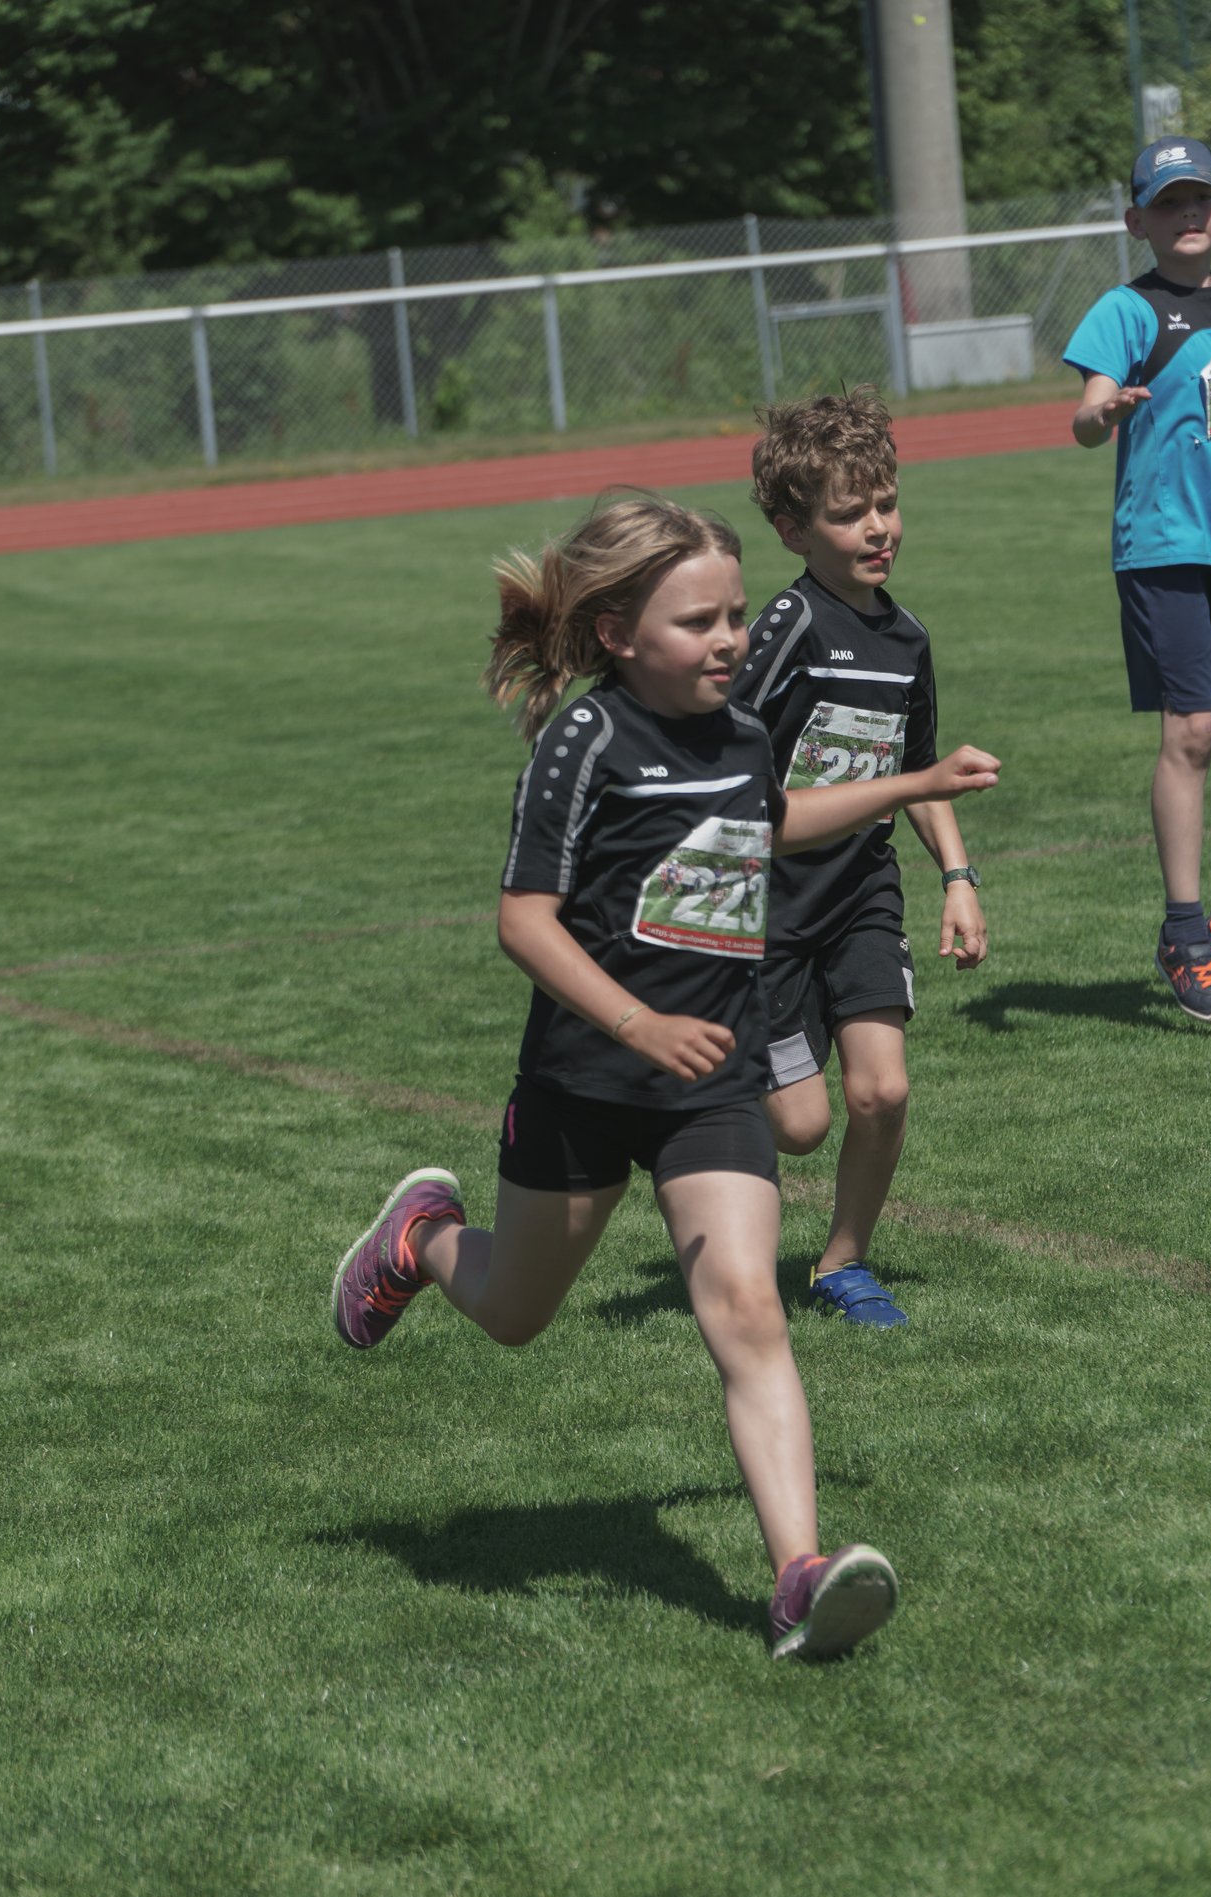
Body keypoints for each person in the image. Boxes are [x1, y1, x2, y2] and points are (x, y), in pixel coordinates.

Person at [331, 493, 999, 1660]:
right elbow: (523, 920)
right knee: (515, 1314)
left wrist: (913, 783)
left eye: (735, 615)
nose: (730, 638)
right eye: (699, 622)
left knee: (746, 1304)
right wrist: (638, 1023)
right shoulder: (583, 741)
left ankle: (797, 1575)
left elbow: (774, 818)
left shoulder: (741, 732)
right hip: (585, 1082)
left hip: (712, 1084)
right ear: (617, 635)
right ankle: (422, 1238)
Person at [734, 389, 987, 1329]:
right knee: (799, 1126)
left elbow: (917, 770)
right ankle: (692, 1095)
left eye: (886, 504)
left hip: (860, 895)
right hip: (764, 907)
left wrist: (956, 879)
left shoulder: (906, 637)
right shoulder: (785, 629)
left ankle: (841, 1263)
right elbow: (729, 769)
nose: (877, 528)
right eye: (850, 514)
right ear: (792, 531)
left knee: (881, 1091)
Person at [1064, 136, 1211, 1023]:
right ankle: (1183, 933)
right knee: (1191, 733)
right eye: (1167, 202)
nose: (1186, 213)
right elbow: (1085, 418)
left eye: (1199, 197)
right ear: (1138, 221)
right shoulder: (1125, 310)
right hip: (1161, 552)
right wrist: (1105, 411)